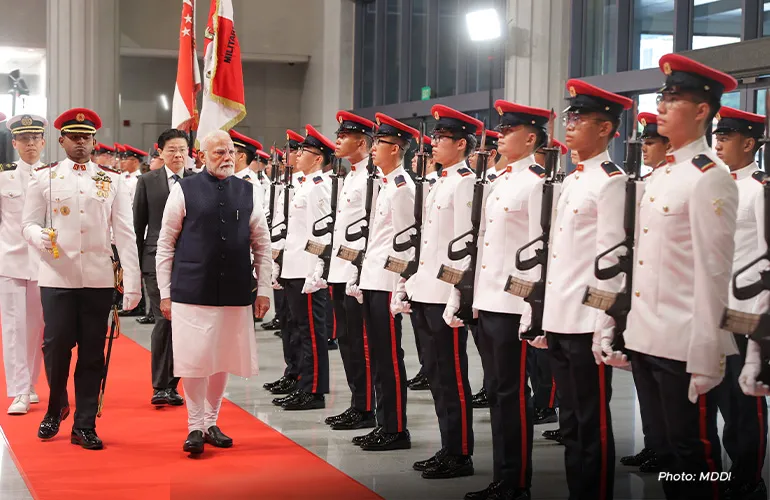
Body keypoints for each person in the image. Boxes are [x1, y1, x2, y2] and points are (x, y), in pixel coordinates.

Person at [624, 53, 740, 499]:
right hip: (648, 334)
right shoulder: (663, 175)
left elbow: (714, 272)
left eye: (674, 99)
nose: (663, 107)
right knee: (670, 452)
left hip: (683, 340)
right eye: (663, 97)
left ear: (701, 111)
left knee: (695, 453)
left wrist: (709, 353)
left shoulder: (709, 177)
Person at [22, 108, 140, 449]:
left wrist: (130, 281)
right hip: (57, 275)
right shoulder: (44, 178)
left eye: (86, 137)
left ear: (93, 141)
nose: (80, 143)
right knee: (56, 347)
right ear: (61, 141)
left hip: (98, 279)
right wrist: (38, 236)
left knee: (92, 352)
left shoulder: (112, 180)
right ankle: (56, 404)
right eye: (73, 137)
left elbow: (125, 233)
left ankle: (84, 424)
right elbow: (26, 223)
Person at [536, 80, 631, 500]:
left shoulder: (610, 181)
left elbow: (611, 262)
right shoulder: (574, 179)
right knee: (571, 421)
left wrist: (604, 324)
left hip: (584, 322)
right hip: (559, 317)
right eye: (570, 118)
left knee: (592, 424)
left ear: (606, 128)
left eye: (580, 119)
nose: (570, 126)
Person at [155, 129, 271, 455]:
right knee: (195, 359)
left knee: (222, 357)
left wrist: (263, 289)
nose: (227, 158)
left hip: (234, 289)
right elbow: (165, 243)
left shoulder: (249, 191)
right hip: (191, 287)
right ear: (202, 156)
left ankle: (211, 421)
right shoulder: (184, 190)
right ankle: (193, 426)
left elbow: (262, 244)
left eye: (231, 151)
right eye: (219, 152)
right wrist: (165, 291)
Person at [462, 100, 552, 500]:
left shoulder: (536, 183)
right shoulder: (499, 181)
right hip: (488, 301)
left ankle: (515, 481)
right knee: (498, 391)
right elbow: (484, 245)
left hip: (513, 308)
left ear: (530, 138)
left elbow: (539, 252)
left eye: (509, 129)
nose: (499, 134)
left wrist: (533, 311)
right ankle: (503, 476)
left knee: (512, 395)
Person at [393, 104, 481, 479]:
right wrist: (410, 284)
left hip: (445, 294)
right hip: (425, 289)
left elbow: (464, 244)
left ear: (461, 144)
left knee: (453, 376)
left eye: (443, 138)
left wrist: (458, 294)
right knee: (436, 375)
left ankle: (460, 452)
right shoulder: (440, 181)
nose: (435, 143)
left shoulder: (464, 183)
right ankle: (447, 447)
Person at [347, 113, 418, 451]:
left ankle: (396, 428)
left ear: (397, 148)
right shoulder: (387, 184)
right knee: (376, 354)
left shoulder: (403, 187)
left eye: (380, 144)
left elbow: (406, 241)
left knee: (389, 357)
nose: (374, 149)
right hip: (373, 279)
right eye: (374, 143)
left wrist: (400, 286)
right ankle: (383, 422)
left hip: (388, 282)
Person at [711, 106, 768, 500]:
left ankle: (748, 475)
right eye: (716, 136)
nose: (717, 143)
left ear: (748, 143)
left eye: (725, 137)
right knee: (718, 397)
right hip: (713, 308)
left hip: (746, 310)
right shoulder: (718, 186)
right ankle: (721, 472)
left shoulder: (761, 188)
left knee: (745, 401)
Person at [618, 112, 670, 474]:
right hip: (638, 296)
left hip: (670, 299)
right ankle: (655, 445)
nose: (644, 148)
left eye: (651, 142)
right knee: (644, 378)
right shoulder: (642, 183)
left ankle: (746, 475)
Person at [133, 129, 194, 407]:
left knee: (182, 322)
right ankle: (160, 385)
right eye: (171, 149)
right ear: (160, 151)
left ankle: (175, 384)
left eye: (182, 149)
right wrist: (134, 266)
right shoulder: (147, 181)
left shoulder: (197, 181)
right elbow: (138, 225)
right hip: (154, 259)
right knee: (164, 319)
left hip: (190, 262)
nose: (178, 154)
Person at [274, 125, 333, 411]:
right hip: (294, 267)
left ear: (318, 157)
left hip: (307, 271)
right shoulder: (305, 185)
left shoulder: (318, 188)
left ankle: (314, 389)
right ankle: (302, 383)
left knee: (312, 332)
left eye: (304, 151)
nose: (297, 155)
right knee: (299, 329)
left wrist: (316, 272)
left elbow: (321, 234)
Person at [325, 111, 377, 430]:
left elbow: (373, 229)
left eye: (344, 136)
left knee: (361, 343)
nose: (338, 140)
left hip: (357, 273)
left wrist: (361, 271)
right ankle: (358, 403)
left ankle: (367, 406)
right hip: (340, 271)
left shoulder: (373, 176)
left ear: (361, 141)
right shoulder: (349, 176)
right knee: (346, 341)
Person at [0, 113, 45, 415]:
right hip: (12, 260)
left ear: (43, 142)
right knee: (14, 327)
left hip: (44, 263)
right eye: (24, 139)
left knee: (37, 329)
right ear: (14, 143)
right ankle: (18, 391)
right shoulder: (3, 176)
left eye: (34, 139)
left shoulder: (53, 176)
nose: (30, 144)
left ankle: (30, 383)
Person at [264, 130, 307, 397]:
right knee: (288, 323)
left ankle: (304, 380)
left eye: (295, 151)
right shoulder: (287, 183)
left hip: (301, 264)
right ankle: (292, 372)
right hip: (285, 261)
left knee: (302, 328)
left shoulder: (310, 185)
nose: (287, 156)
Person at [405, 134, 435, 392]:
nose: (415, 159)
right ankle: (427, 368)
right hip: (420, 272)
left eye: (420, 155)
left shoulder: (434, 184)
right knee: (420, 330)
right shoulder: (422, 185)